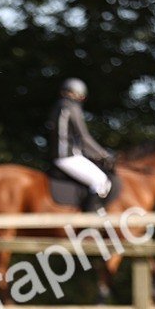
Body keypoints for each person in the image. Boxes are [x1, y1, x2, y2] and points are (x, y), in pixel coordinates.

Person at [46, 78, 115, 210]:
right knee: (101, 181)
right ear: (80, 94)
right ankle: (89, 220)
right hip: (68, 156)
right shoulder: (71, 107)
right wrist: (104, 155)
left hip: (58, 155)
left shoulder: (58, 106)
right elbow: (83, 136)